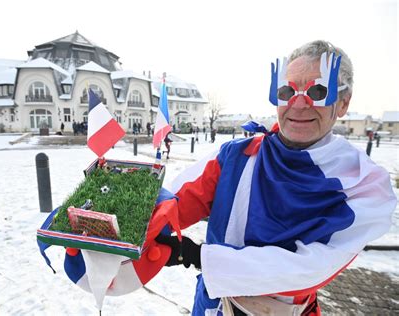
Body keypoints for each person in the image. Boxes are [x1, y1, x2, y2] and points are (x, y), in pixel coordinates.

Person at [154, 40, 396, 315]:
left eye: (318, 91)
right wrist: (114, 228)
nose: (300, 104)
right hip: (212, 307)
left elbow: (308, 268)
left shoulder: (364, 184)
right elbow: (171, 205)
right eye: (286, 91)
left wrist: (198, 256)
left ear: (343, 103)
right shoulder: (237, 156)